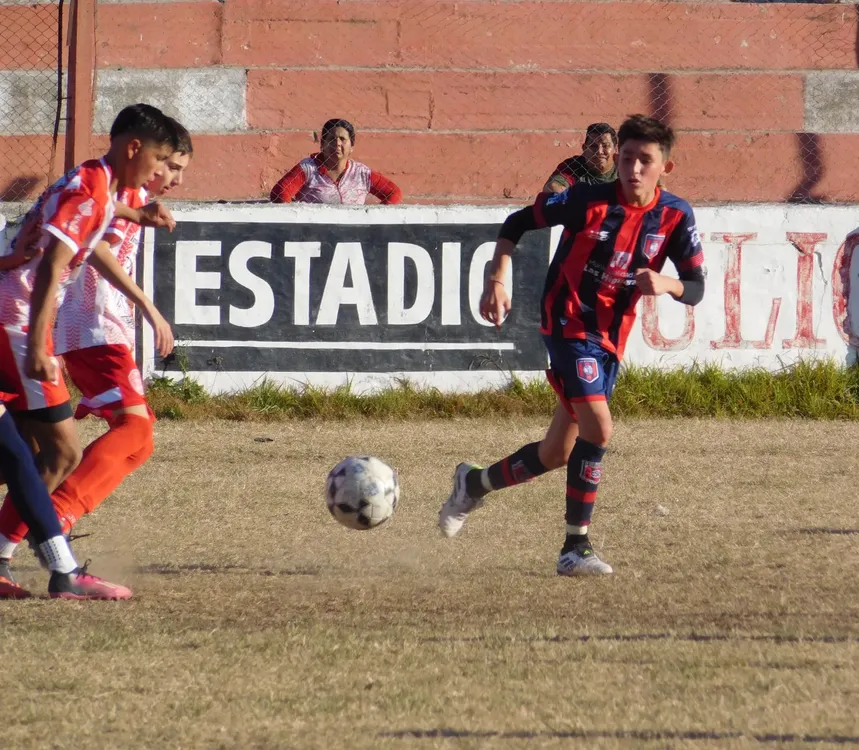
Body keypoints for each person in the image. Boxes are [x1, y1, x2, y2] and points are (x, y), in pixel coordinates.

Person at [438, 115, 706, 576]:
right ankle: (574, 547)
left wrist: (667, 283)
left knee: (556, 453)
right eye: (627, 159)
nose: (633, 169)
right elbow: (517, 221)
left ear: (667, 167)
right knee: (599, 429)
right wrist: (497, 276)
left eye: (645, 160)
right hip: (566, 324)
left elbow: (697, 286)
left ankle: (473, 484)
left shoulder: (676, 216)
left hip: (609, 340)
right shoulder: (586, 199)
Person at [0, 103, 178, 599]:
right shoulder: (90, 187)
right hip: (15, 325)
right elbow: (54, 265)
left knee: (27, 452)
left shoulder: (97, 185)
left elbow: (93, 217)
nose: (161, 172)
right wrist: (39, 343)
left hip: (15, 319)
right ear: (133, 148)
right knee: (61, 451)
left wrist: (133, 212)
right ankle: (63, 572)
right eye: (161, 159)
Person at [270, 118, 402, 205]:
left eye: (342, 139)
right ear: (322, 144)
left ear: (352, 147)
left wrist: (374, 220)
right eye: (332, 139)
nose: (337, 144)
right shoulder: (307, 168)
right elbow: (280, 192)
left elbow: (393, 193)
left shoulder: (362, 173)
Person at [542, 122, 618, 194]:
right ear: (584, 148)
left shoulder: (624, 166)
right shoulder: (573, 166)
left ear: (615, 149)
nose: (599, 151)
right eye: (593, 146)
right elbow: (551, 187)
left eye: (605, 146)